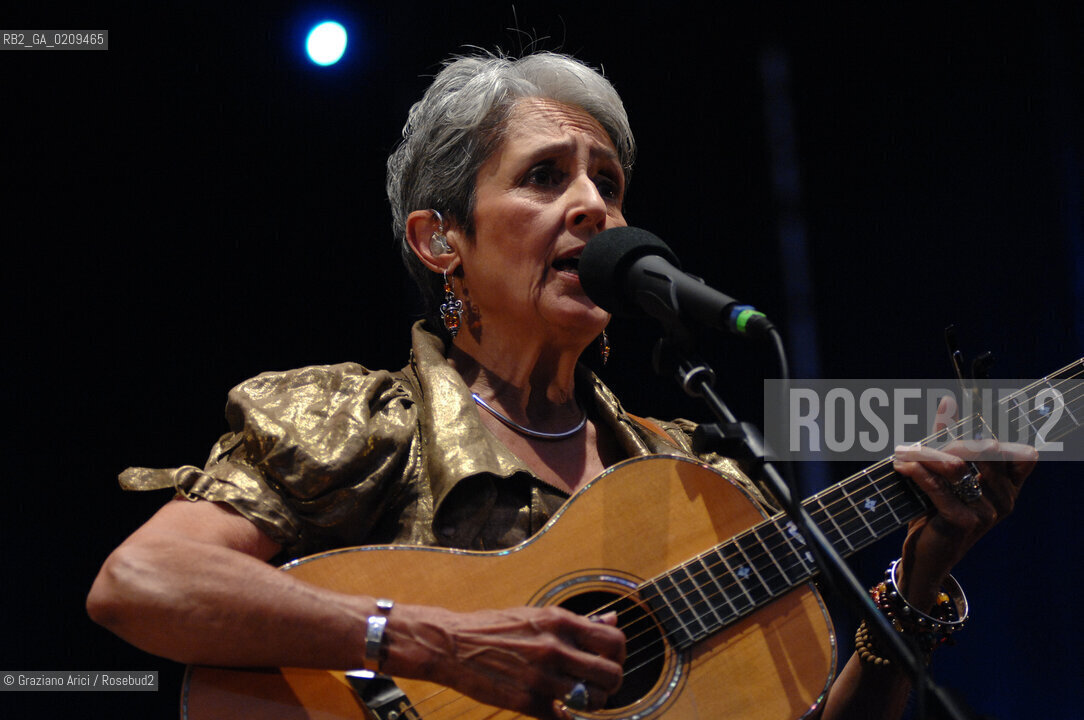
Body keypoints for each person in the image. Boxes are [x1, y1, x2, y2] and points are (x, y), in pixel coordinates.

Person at [87, 50, 1036, 719]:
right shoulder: (355, 423)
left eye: (608, 184)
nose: (593, 206)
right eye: (544, 177)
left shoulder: (694, 481)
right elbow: (140, 582)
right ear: (440, 239)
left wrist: (919, 579)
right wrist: (436, 643)